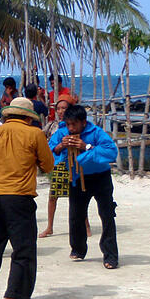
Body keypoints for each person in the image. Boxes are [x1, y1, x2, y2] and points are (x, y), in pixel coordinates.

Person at [0, 97, 54, 299]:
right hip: (19, 196)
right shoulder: (35, 134)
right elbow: (48, 165)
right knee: (23, 249)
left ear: (8, 115)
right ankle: (11, 298)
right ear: (28, 117)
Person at [51, 104, 120, 269]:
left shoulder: (96, 132)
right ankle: (78, 249)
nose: (71, 128)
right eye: (68, 124)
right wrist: (61, 146)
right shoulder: (62, 133)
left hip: (100, 177)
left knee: (106, 215)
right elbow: (50, 150)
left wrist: (86, 147)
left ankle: (110, 256)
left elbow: (111, 152)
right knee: (76, 215)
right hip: (76, 177)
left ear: (83, 122)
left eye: (74, 124)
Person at [39, 94, 91, 238]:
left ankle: (86, 226)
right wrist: (62, 145)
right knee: (53, 196)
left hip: (77, 166)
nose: (61, 111)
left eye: (64, 108)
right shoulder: (59, 130)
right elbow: (52, 149)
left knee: (78, 197)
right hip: (61, 165)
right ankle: (49, 227)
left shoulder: (82, 129)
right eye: (59, 109)